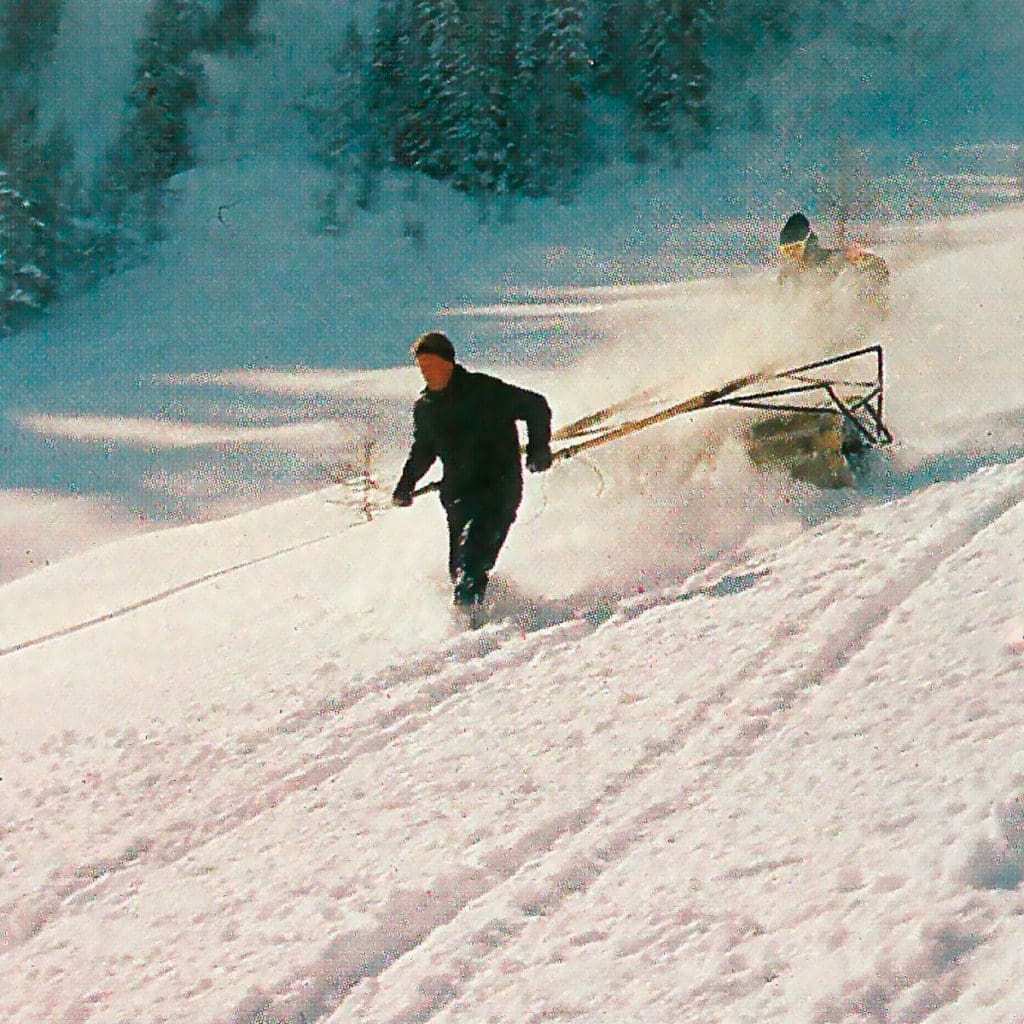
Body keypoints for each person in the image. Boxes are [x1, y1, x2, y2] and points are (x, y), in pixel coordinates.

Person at [392, 331, 553, 610]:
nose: (426, 373)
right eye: (421, 367)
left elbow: (535, 406)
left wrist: (539, 448)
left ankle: (468, 624)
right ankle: (485, 612)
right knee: (460, 569)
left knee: (472, 561)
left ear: (448, 362)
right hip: (459, 496)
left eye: (430, 365)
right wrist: (406, 484)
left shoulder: (484, 390)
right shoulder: (426, 408)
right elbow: (423, 451)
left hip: (498, 488)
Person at [777, 211, 890, 316]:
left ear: (807, 245)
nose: (792, 255)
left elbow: (876, 263)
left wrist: (863, 258)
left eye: (796, 248)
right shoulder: (788, 276)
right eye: (786, 250)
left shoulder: (832, 260)